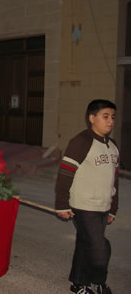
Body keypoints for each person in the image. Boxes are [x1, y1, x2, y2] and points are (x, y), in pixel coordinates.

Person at [55, 99, 119, 294]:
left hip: (103, 205)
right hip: (84, 205)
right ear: (92, 118)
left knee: (85, 244)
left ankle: (78, 284)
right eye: (105, 116)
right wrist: (62, 204)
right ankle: (99, 282)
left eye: (113, 117)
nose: (110, 121)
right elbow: (65, 174)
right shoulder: (82, 141)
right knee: (100, 247)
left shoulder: (113, 145)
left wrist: (113, 207)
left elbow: (114, 180)